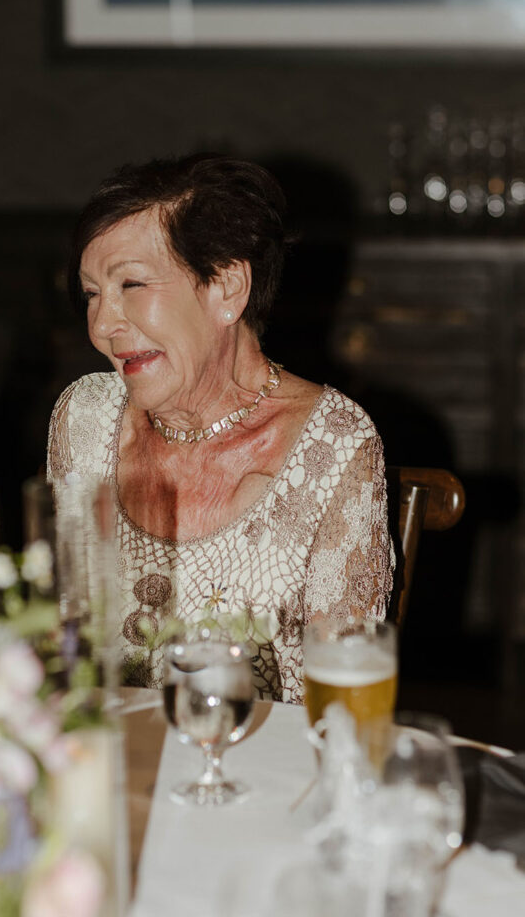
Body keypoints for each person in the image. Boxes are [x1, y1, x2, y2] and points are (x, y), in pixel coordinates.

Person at [47, 154, 394, 702]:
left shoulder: (331, 445)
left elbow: (342, 701)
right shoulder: (86, 419)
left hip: (258, 751)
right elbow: (65, 645)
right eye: (92, 294)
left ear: (227, 287)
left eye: (131, 284)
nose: (103, 325)